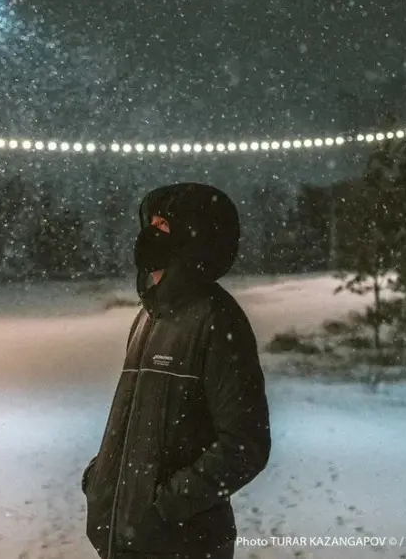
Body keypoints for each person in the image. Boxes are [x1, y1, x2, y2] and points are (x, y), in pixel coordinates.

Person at [81, 182, 271, 559]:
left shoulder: (217, 320)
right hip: (126, 544)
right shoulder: (149, 316)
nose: (150, 235)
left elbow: (245, 445)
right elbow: (139, 420)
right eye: (150, 225)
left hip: (181, 547)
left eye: (163, 226)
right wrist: (101, 477)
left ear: (192, 239)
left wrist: (164, 507)